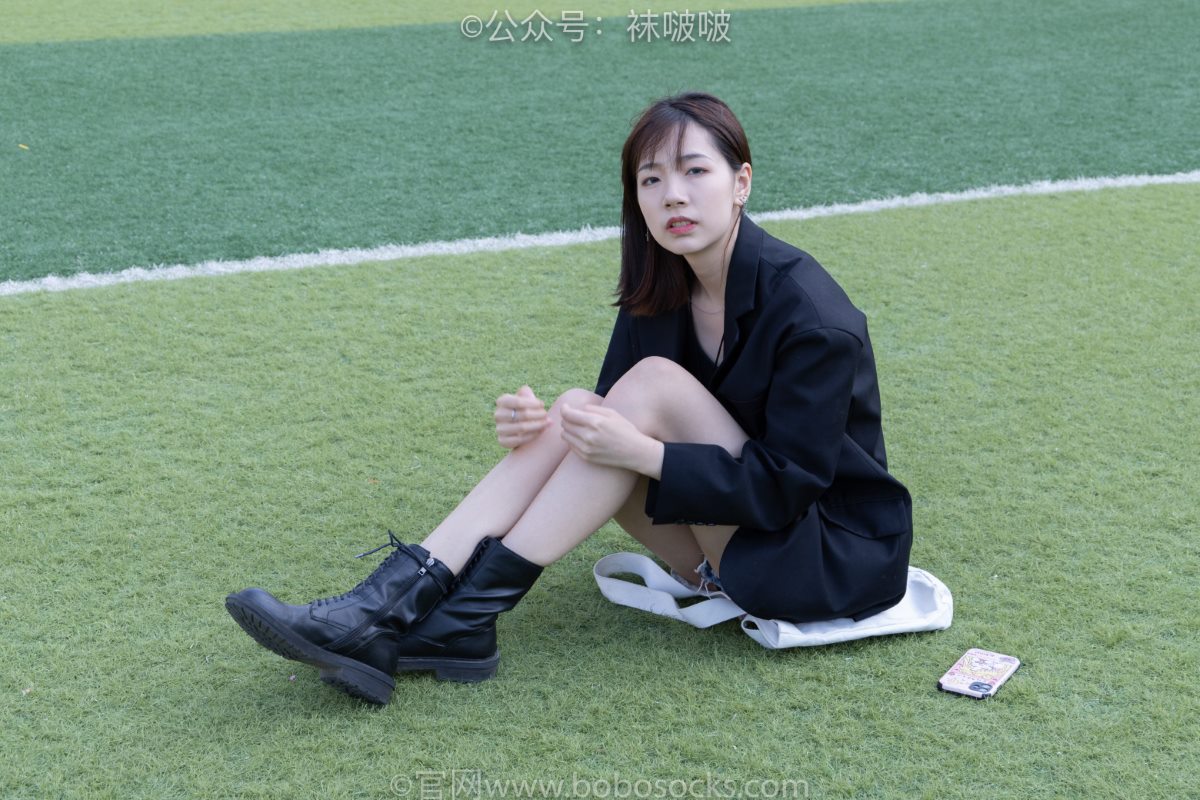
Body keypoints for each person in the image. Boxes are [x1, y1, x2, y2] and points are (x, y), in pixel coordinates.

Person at [225, 92, 913, 705]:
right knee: (580, 406)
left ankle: (444, 618)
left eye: (694, 172)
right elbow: (607, 421)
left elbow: (787, 488)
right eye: (651, 179)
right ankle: (401, 608)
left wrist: (643, 452)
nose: (672, 196)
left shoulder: (811, 314)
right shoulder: (662, 288)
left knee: (642, 390)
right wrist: (535, 427)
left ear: (741, 183)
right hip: (719, 549)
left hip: (819, 559)